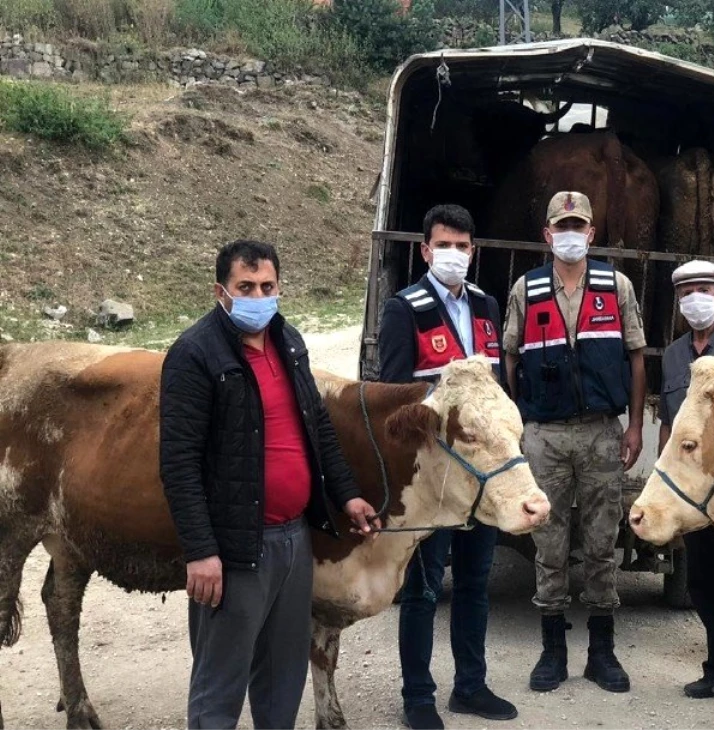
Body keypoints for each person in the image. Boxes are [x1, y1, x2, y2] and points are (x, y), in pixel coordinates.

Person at [160, 239, 378, 730]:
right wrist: (200, 550)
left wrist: (348, 494)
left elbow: (317, 426)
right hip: (236, 548)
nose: (258, 296)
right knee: (221, 683)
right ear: (221, 291)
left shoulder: (289, 341)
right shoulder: (195, 355)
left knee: (283, 679)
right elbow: (178, 462)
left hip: (293, 540)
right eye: (246, 287)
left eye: (267, 286)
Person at [503, 191, 647, 694]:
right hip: (544, 434)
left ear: (591, 233)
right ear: (547, 234)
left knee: (602, 542)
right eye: (560, 225)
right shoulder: (527, 288)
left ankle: (602, 653)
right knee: (549, 542)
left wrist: (633, 427)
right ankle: (553, 652)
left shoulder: (617, 284)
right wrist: (519, 424)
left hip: (602, 431)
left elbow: (635, 355)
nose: (569, 233)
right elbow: (511, 358)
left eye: (578, 225)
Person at [377, 205, 515, 730]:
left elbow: (495, 387)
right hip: (434, 478)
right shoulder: (403, 309)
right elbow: (394, 397)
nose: (454, 254)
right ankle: (418, 697)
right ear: (425, 250)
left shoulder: (486, 305)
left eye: (463, 245)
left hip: (479, 477)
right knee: (424, 587)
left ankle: (471, 687)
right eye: (445, 245)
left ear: (473, 251)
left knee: (476, 581)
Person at [659, 260, 714, 700]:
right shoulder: (673, 355)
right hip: (692, 493)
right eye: (686, 292)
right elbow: (668, 425)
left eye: (703, 290)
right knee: (704, 582)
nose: (695, 299)